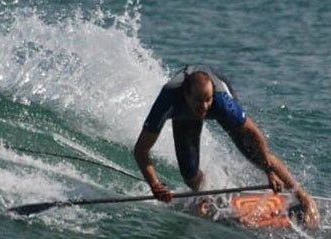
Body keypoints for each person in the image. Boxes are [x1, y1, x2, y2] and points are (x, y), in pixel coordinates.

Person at [134, 64, 319, 227]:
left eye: (208, 100)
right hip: (184, 116)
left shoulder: (221, 102)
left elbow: (253, 133)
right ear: (186, 95)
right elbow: (141, 150)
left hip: (217, 92)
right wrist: (155, 184)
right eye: (199, 101)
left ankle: (304, 198)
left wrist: (268, 171)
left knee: (257, 156)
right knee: (189, 175)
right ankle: (205, 196)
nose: (205, 107)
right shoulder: (167, 100)